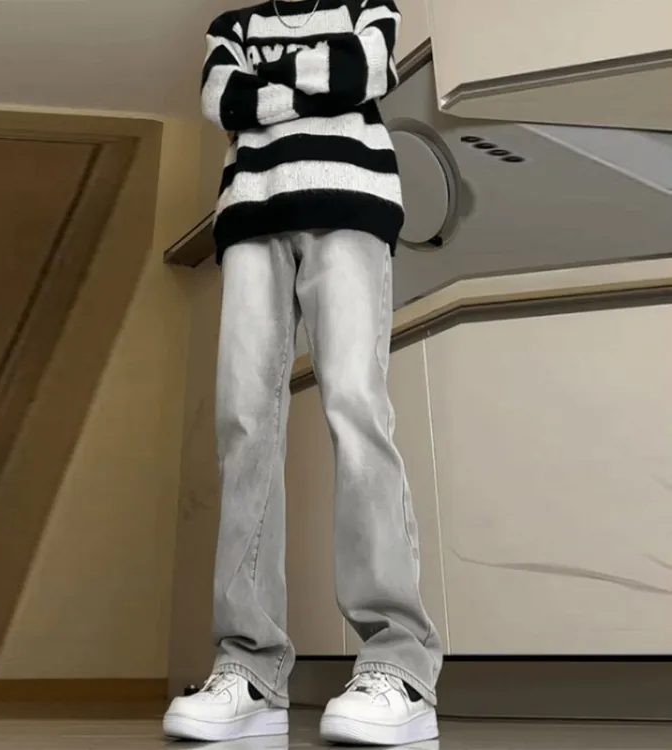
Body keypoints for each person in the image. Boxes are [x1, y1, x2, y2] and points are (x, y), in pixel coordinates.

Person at [163, 0, 443, 744]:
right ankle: (250, 668)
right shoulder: (232, 27)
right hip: (251, 216)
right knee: (243, 424)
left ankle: (399, 665)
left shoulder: (366, 6)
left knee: (355, 408)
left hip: (352, 204)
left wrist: (273, 88)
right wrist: (315, 81)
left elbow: (364, 70)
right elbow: (223, 99)